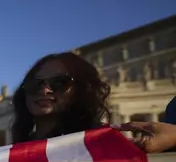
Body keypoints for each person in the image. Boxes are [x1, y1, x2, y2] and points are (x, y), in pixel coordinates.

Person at [11, 52, 176, 153]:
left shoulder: (102, 145)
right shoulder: (9, 153)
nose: (45, 90)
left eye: (59, 83)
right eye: (35, 84)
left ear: (81, 89)